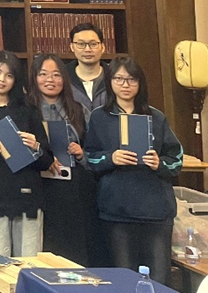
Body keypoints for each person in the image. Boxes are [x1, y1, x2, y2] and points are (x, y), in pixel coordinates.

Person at [84, 55, 183, 284]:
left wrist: (159, 163)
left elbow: (176, 158)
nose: (125, 85)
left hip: (155, 211)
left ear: (140, 83)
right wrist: (111, 158)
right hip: (117, 210)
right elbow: (89, 157)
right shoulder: (100, 117)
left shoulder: (156, 117)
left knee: (159, 278)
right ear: (110, 82)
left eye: (131, 79)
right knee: (123, 277)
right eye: (119, 79)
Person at [0, 51, 53, 258]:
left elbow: (47, 160)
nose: (2, 79)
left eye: (9, 75)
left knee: (29, 263)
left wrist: (36, 146)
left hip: (27, 197)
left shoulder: (27, 110)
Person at [26, 54, 98, 267]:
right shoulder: (25, 108)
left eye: (56, 75)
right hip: (39, 186)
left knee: (73, 250)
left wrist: (81, 153)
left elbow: (95, 149)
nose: (50, 80)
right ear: (34, 77)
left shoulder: (78, 109)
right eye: (43, 74)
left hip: (73, 190)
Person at [67, 23, 109, 110]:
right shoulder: (62, 77)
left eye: (93, 44)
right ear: (72, 47)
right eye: (81, 44)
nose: (87, 49)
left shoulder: (115, 76)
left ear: (102, 47)